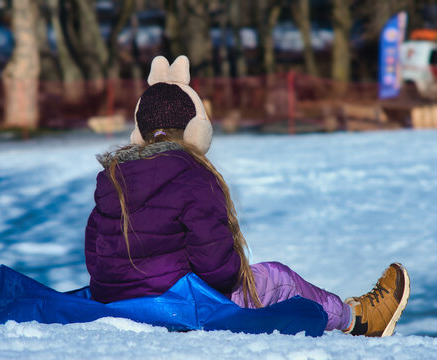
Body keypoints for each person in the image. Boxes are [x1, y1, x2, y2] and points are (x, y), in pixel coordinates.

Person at [85, 55, 410, 337]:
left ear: (139, 135)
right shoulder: (194, 176)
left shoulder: (110, 178)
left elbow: (94, 258)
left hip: (114, 300)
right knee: (277, 277)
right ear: (195, 129)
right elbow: (219, 270)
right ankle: (359, 319)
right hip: (180, 307)